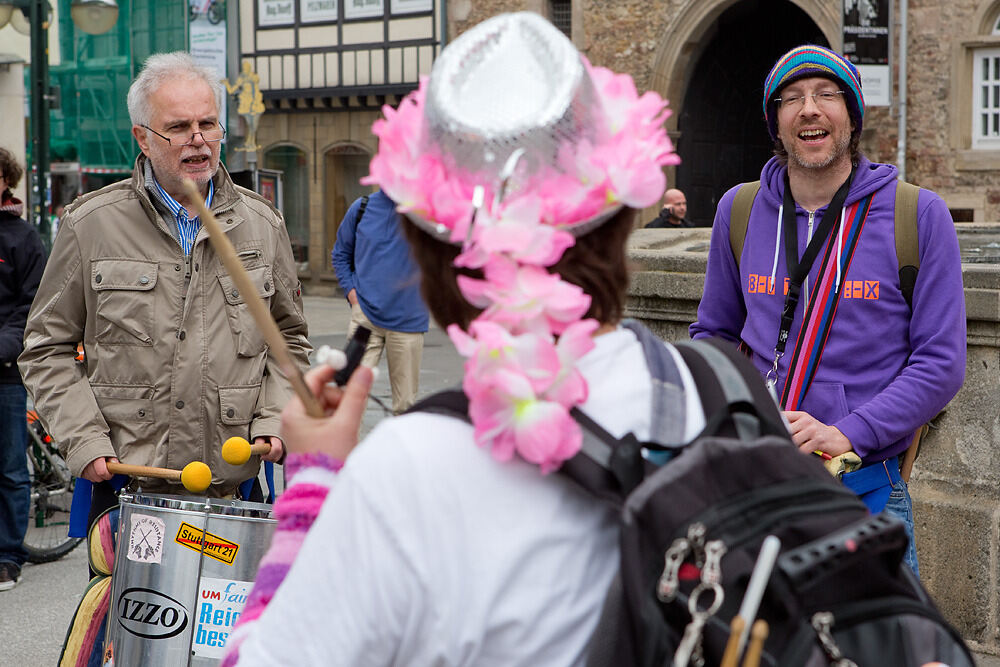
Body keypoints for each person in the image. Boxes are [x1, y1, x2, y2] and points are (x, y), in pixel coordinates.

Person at [220, 12, 688, 665]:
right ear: (620, 217)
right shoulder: (718, 389)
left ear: (429, 250)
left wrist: (312, 485)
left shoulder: (405, 472)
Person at [690, 44, 966, 576]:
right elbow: (714, 335)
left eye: (826, 94)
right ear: (776, 121)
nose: (809, 108)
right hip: (757, 483)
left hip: (863, 491)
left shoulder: (919, 215)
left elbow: (940, 362)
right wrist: (737, 413)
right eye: (791, 98)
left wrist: (848, 432)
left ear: (852, 115)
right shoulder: (739, 210)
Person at [19, 52, 310, 520]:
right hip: (126, 493)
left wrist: (276, 419)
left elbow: (289, 341)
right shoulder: (89, 224)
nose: (198, 141)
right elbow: (45, 347)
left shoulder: (262, 224)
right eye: (178, 127)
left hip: (234, 497)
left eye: (208, 124)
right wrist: (86, 440)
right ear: (143, 138)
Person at [332, 189, 429, 414]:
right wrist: (352, 294)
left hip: (408, 320)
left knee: (406, 406)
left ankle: (401, 450)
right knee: (351, 395)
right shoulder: (362, 207)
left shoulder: (426, 213)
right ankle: (349, 449)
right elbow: (340, 253)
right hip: (364, 317)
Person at [0, 148, 46, 591]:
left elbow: (33, 304)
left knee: (11, 468)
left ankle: (8, 557)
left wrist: (3, 347)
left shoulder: (22, 238)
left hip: (5, 370)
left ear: (5, 181)